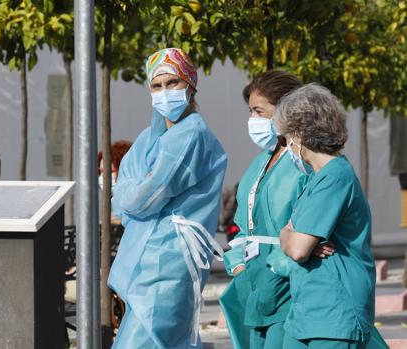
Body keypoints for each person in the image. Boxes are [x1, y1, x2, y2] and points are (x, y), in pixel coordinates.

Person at [108, 48, 227, 348]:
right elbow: (122, 195)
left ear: (190, 85)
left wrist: (135, 189)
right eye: (156, 86)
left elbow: (145, 196)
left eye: (172, 83)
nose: (164, 92)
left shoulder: (192, 135)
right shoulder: (150, 137)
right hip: (144, 265)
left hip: (170, 264)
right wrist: (133, 190)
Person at [219, 71, 334, 349]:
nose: (252, 120)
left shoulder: (305, 164)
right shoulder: (259, 163)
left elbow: (314, 223)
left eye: (259, 111)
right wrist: (237, 265)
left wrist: (278, 267)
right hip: (252, 285)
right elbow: (244, 225)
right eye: (250, 111)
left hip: (288, 288)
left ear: (285, 111)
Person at [272, 83, 385, 348]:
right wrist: (286, 235)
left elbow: (298, 247)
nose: (285, 146)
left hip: (334, 316)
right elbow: (290, 235)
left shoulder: (336, 177)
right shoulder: (315, 178)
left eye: (284, 138)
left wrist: (288, 236)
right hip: (305, 314)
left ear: (298, 134)